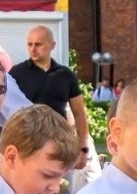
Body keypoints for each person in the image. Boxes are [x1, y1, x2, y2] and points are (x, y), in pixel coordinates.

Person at [10, 26, 92, 175]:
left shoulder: (65, 75)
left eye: (38, 44)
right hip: (28, 142)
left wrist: (83, 148)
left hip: (59, 142)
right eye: (30, 44)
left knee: (61, 185)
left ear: (52, 45)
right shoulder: (16, 73)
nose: (33, 49)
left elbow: (79, 113)